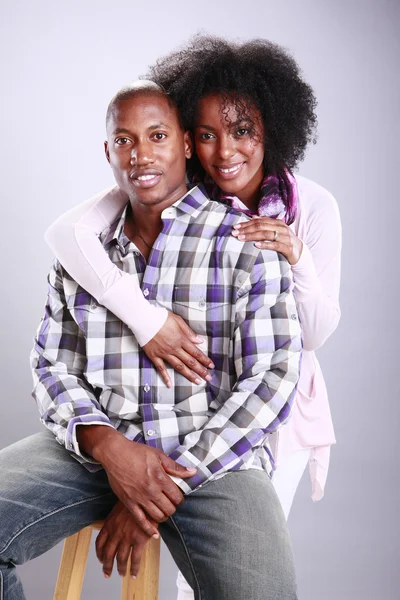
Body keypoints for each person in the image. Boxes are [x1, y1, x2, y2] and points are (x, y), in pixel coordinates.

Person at [0, 81, 302, 600]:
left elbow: (272, 379)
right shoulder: (83, 255)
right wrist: (109, 447)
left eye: (156, 135)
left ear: (185, 144)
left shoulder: (245, 244)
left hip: (213, 464)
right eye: (124, 140)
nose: (140, 155)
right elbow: (52, 365)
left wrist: (166, 485)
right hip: (95, 453)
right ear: (108, 152)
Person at [45, 36, 341, 517]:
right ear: (187, 139)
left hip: (280, 397)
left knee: (240, 562)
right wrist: (148, 322)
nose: (225, 151)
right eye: (206, 134)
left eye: (243, 130)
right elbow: (65, 234)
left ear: (273, 126)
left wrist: (298, 256)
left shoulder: (311, 206)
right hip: (194, 407)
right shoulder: (169, 187)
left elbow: (315, 334)